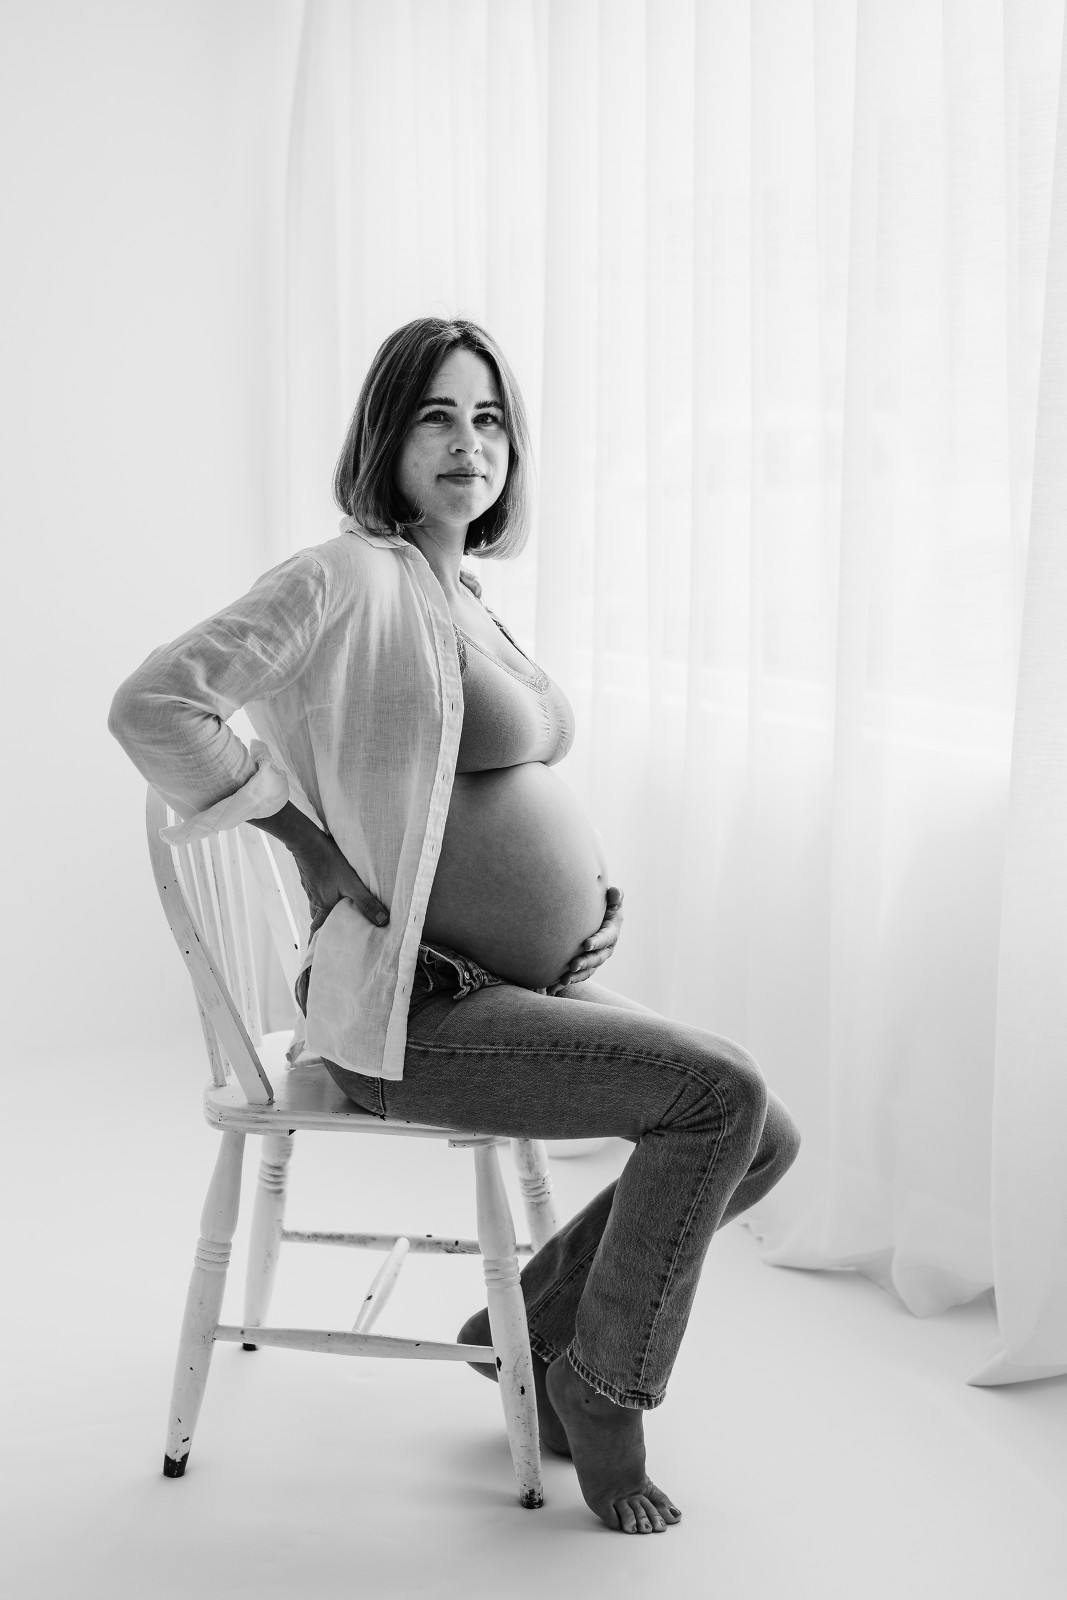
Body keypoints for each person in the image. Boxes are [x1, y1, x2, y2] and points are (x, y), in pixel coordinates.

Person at [109, 316, 801, 1536]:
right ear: (384, 436)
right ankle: (602, 1391)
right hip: (410, 1013)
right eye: (435, 415)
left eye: (488, 419)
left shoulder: (460, 592)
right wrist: (302, 841)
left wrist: (580, 908)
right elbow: (153, 703)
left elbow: (469, 798)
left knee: (764, 1134)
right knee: (718, 1096)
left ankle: (524, 1329)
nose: (466, 442)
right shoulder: (345, 576)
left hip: (496, 984)